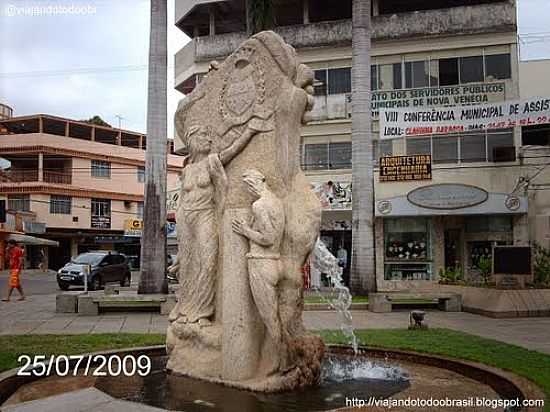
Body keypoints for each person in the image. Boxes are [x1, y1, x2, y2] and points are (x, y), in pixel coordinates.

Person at [169, 118, 272, 327]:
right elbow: (181, 198)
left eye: (209, 135)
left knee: (208, 262)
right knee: (188, 265)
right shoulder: (187, 168)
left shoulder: (212, 161)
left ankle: (202, 311)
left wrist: (249, 131)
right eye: (204, 136)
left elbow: (232, 151)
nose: (208, 139)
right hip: (185, 218)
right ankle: (184, 308)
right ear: (192, 141)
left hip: (206, 215)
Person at [232, 169, 286, 374]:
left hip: (261, 263)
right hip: (274, 262)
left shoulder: (259, 205)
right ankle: (281, 355)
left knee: (269, 316)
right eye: (246, 186)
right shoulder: (276, 202)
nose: (249, 189)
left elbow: (268, 238)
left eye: (250, 184)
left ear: (261, 180)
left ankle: (280, 360)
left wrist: (245, 230)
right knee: (273, 314)